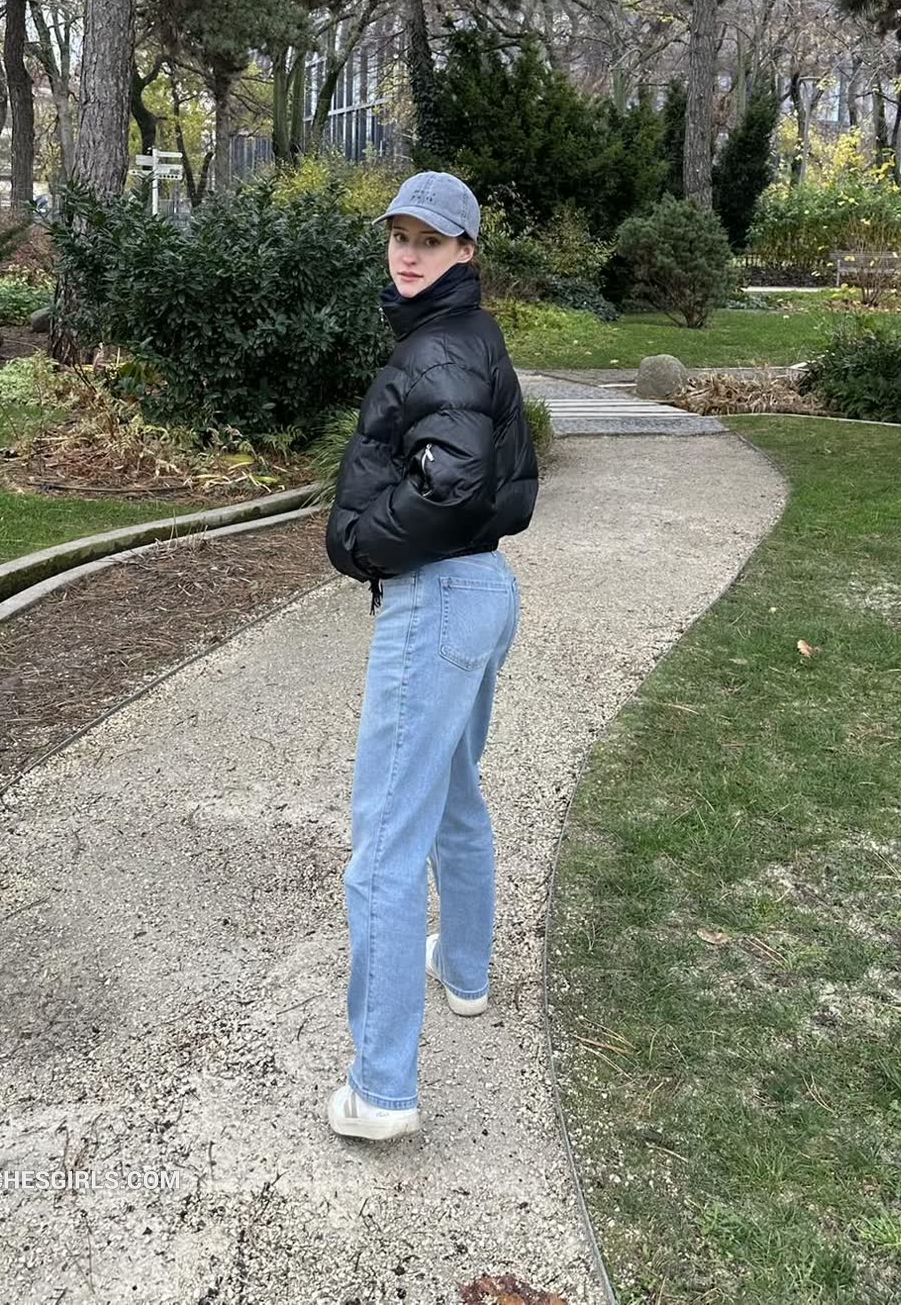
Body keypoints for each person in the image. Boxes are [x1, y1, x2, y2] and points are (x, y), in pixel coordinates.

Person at [324, 170, 540, 1141]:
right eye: (398, 236)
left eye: (430, 239)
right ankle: (463, 969)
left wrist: (362, 542)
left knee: (383, 845)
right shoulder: (469, 335)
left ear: (465, 251)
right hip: (483, 591)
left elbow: (450, 481)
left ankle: (379, 1091)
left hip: (440, 597)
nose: (408, 254)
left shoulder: (441, 345)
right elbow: (497, 482)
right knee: (453, 792)